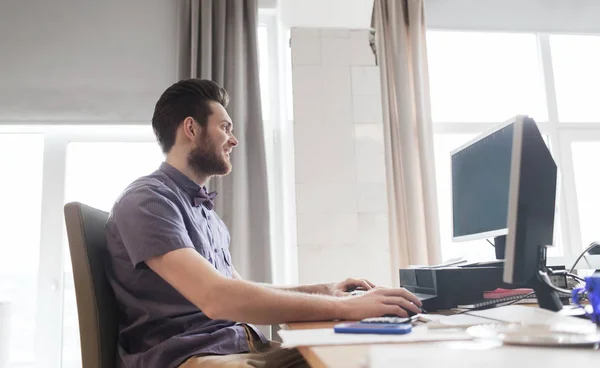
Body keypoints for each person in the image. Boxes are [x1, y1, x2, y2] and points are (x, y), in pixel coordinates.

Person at [105, 78, 423, 368]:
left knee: (371, 356)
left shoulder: (204, 213)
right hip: (191, 358)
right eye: (225, 128)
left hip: (242, 348)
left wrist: (323, 290)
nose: (234, 140)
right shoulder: (148, 200)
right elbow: (218, 298)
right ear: (191, 129)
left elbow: (238, 289)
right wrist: (346, 308)